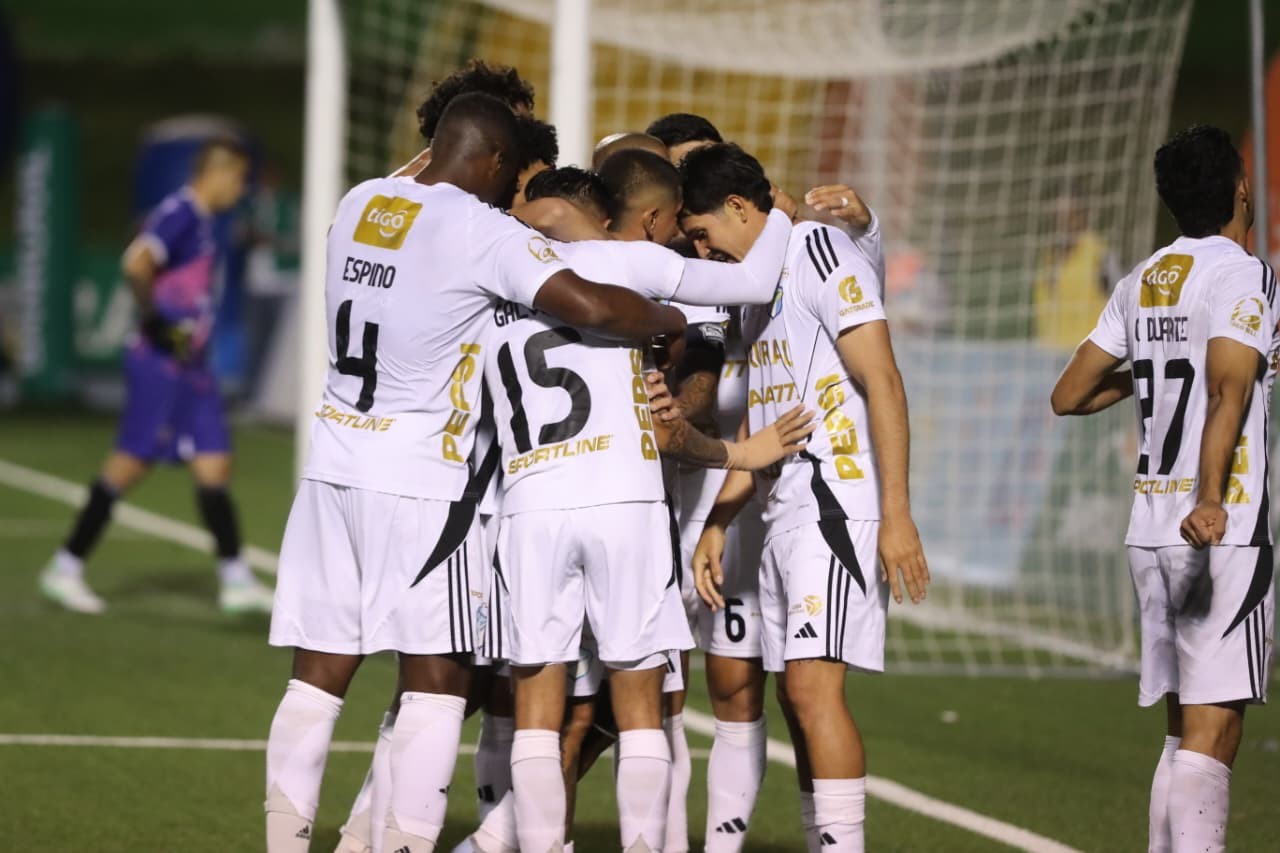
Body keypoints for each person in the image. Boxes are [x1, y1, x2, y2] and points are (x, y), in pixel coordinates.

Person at [262, 92, 688, 853]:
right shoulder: (477, 230)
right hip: (427, 486)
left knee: (316, 676)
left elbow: (421, 174)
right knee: (439, 682)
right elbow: (587, 300)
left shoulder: (362, 200)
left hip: (332, 466)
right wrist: (669, 319)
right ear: (494, 163)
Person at [685, 144, 930, 852]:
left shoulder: (820, 252)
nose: (701, 249)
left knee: (813, 693)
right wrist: (718, 519)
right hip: (782, 508)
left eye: (704, 232)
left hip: (832, 504)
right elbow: (768, 428)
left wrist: (897, 513)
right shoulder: (755, 292)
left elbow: (882, 378)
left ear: (739, 207)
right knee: (796, 693)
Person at [1051, 124, 1277, 853]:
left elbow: (1070, 393)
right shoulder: (1246, 273)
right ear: (1242, 190)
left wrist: (1148, 369)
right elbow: (1225, 388)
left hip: (1150, 526)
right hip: (1220, 528)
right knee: (1215, 731)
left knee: (1183, 728)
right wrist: (1210, 494)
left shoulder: (1143, 278)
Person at [38, 138, 273, 615]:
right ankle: (64, 566)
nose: (241, 188)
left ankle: (235, 579)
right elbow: (135, 262)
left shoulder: (205, 221)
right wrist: (156, 322)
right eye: (239, 178)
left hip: (192, 366)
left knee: (215, 464)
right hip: (160, 364)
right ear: (217, 173)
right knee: (130, 464)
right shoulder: (180, 213)